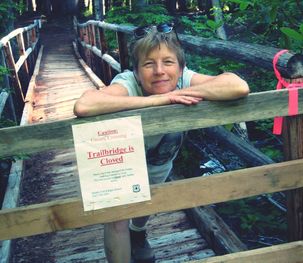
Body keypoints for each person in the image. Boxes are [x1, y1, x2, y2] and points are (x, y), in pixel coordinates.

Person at [73, 22, 249, 263]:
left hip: (159, 164)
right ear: (135, 71)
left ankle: (138, 233)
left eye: (167, 62)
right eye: (148, 64)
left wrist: (190, 92)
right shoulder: (128, 83)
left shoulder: (183, 78)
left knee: (145, 206)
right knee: (116, 218)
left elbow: (237, 85)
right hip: (121, 163)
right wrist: (161, 100)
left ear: (180, 67)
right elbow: (85, 105)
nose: (159, 71)